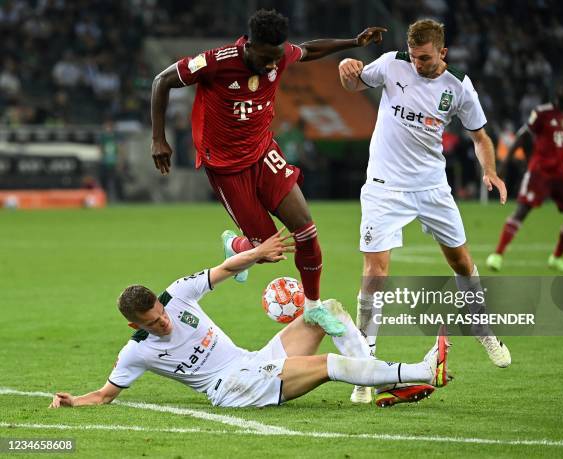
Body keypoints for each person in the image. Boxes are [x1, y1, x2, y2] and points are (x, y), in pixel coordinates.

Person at [150, 9, 386, 337]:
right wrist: (158, 138)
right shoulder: (216, 61)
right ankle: (238, 246)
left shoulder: (280, 54)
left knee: (306, 232)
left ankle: (314, 307)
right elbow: (162, 80)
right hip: (227, 168)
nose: (274, 65)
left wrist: (353, 42)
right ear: (250, 45)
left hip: (264, 154)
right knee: (267, 252)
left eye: (278, 58)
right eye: (268, 58)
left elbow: (309, 50)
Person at [49, 229, 451, 410]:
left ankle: (369, 385)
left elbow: (225, 267)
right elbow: (104, 395)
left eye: (161, 314)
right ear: (135, 327)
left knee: (322, 311)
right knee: (325, 366)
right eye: (153, 324)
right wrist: (72, 402)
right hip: (233, 387)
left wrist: (259, 251)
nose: (164, 323)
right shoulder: (135, 352)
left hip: (251, 359)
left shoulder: (178, 295)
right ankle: (420, 371)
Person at [338, 19, 511, 403]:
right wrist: (344, 69)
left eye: (425, 58)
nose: (417, 64)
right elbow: (353, 83)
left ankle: (482, 328)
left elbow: (480, 136)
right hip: (384, 187)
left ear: (442, 53)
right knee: (375, 272)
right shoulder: (390, 63)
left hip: (432, 187)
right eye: (414, 57)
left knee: (462, 263)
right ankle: (364, 365)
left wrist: (490, 172)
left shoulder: (459, 87)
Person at [486, 80, 563, 273]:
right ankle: (497, 255)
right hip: (540, 172)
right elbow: (523, 136)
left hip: (562, 174)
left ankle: (557, 258)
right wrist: (505, 162)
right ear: (557, 91)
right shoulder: (542, 113)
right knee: (522, 210)